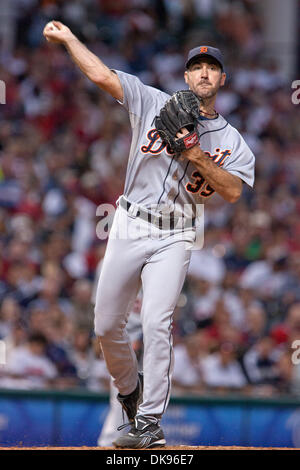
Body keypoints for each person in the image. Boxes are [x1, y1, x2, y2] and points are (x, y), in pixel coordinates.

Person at [43, 22, 255, 448]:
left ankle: (149, 422)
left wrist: (196, 154)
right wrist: (69, 39)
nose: (204, 74)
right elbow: (102, 75)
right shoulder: (151, 101)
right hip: (129, 221)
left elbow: (232, 191)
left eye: (212, 68)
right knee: (106, 325)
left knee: (158, 323)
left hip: (177, 233)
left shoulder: (233, 142)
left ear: (223, 80)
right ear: (185, 75)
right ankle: (129, 390)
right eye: (197, 67)